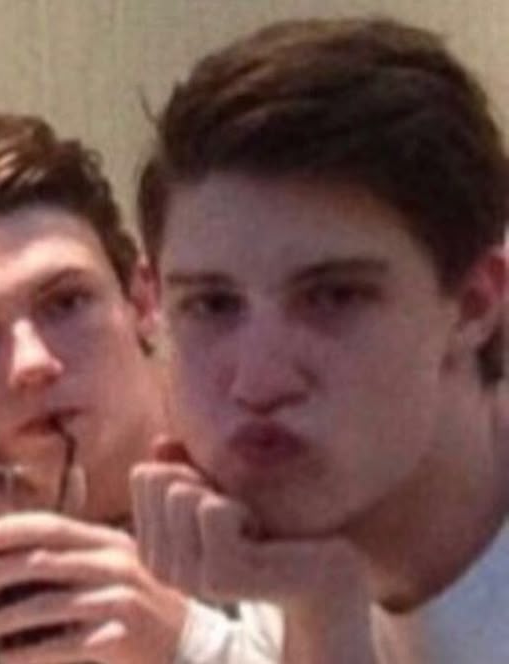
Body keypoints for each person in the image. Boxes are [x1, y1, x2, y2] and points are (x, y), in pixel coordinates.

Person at [132, 17, 509, 664]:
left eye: (333, 297)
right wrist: (316, 616)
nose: (258, 383)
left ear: (475, 304)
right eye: (212, 304)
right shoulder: (299, 551)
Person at [0, 112, 275, 663]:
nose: (32, 362)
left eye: (66, 302)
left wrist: (186, 645)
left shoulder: (274, 466)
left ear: (144, 300)